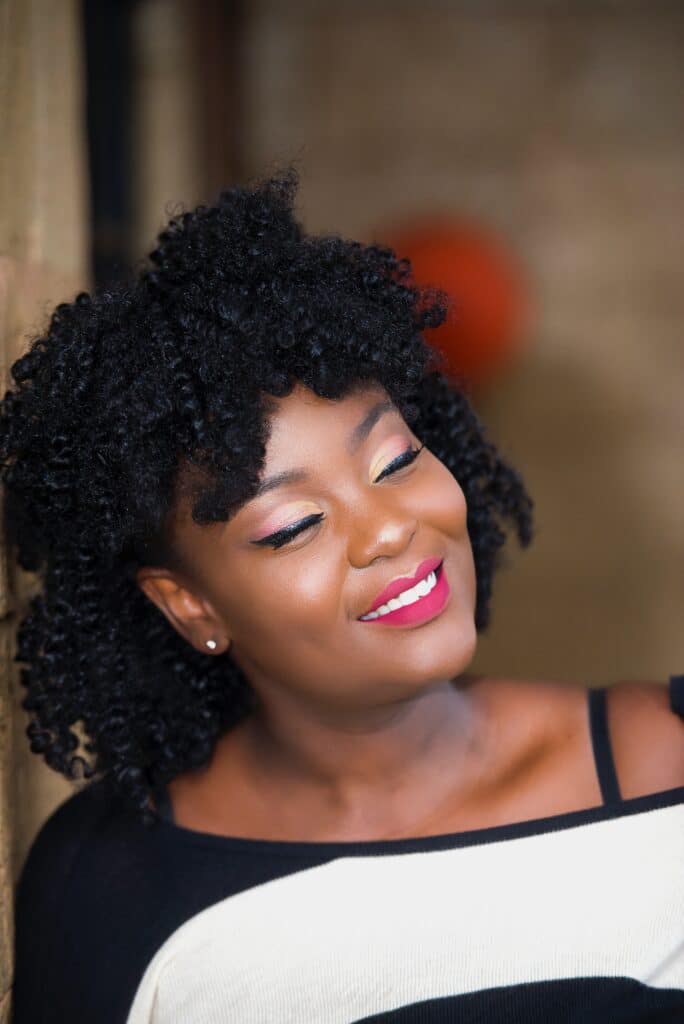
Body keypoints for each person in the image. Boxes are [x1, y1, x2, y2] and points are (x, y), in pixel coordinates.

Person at [5, 172, 683, 1024]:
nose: (388, 530)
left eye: (395, 461)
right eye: (293, 525)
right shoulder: (109, 889)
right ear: (189, 605)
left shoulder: (669, 768)